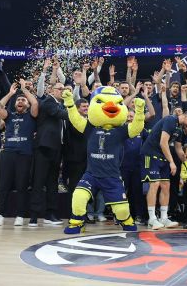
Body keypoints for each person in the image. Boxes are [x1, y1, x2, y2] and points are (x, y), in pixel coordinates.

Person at [62, 87, 146, 234]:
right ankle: (77, 222)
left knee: (121, 210)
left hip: (112, 177)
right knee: (78, 197)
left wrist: (139, 111)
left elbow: (137, 127)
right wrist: (69, 103)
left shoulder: (121, 131)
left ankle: (126, 220)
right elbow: (75, 119)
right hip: (91, 174)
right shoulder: (90, 128)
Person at [140, 110, 187, 230]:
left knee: (166, 185)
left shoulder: (179, 129)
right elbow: (163, 142)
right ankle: (152, 219)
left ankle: (164, 218)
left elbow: (178, 149)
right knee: (154, 184)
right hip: (150, 154)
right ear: (186, 116)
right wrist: (172, 162)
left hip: (163, 157)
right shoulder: (170, 120)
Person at [0, 82, 39, 227]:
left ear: (27, 104)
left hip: (25, 154)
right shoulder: (9, 116)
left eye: (23, 100)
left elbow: (35, 103)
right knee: (4, 184)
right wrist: (10, 94)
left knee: (22, 185)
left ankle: (20, 215)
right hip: (8, 153)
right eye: (18, 100)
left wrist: (24, 89)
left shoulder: (31, 115)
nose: (20, 101)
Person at [29, 80, 69, 226]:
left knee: (53, 182)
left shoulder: (60, 105)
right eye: (60, 89)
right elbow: (59, 114)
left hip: (57, 148)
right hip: (44, 147)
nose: (63, 91)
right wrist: (74, 111)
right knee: (39, 181)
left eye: (64, 89)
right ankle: (34, 216)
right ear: (51, 90)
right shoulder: (48, 102)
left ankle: (50, 214)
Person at [121, 108, 148, 225]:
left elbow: (150, 143)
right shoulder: (121, 130)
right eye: (127, 116)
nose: (129, 118)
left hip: (138, 167)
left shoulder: (142, 130)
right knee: (122, 192)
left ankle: (138, 215)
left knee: (137, 192)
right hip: (123, 167)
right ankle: (120, 216)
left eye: (131, 116)